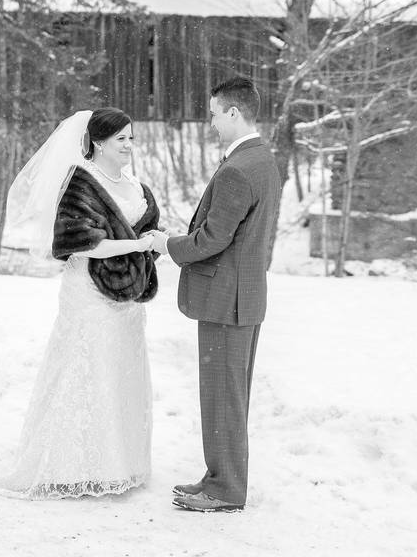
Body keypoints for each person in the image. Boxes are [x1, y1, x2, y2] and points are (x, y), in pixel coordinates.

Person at [0, 107, 161, 499]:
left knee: (120, 368)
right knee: (87, 366)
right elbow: (84, 242)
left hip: (127, 293)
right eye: (121, 139)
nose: (130, 145)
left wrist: (155, 241)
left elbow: (144, 225)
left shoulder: (131, 183)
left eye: (132, 138)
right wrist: (138, 244)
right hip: (90, 292)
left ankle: (119, 461)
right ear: (98, 141)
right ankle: (71, 463)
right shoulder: (80, 182)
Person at [147, 77, 280, 512]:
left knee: (223, 395)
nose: (210, 121)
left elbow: (211, 240)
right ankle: (219, 476)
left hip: (227, 299)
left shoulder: (238, 170)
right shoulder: (262, 159)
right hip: (244, 294)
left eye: (213, 113)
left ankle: (225, 490)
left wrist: (167, 244)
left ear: (234, 114)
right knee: (228, 394)